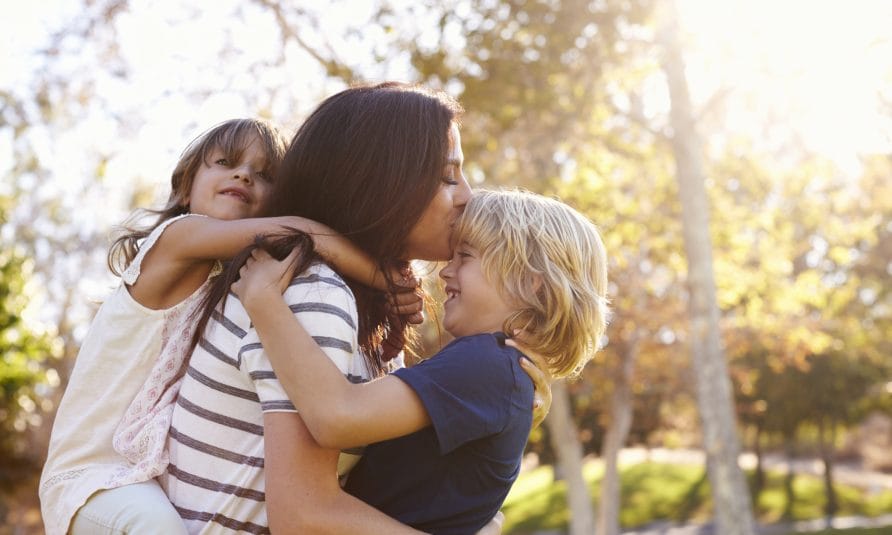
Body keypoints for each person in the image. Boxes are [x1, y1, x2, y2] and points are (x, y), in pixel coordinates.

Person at [162, 83, 551, 534]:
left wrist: (500, 404)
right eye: (448, 177)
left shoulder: (357, 304)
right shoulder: (314, 294)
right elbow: (305, 516)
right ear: (381, 183)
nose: (467, 195)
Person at [38, 118, 408, 535]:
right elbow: (304, 234)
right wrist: (386, 280)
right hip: (91, 477)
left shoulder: (228, 283)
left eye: (264, 175)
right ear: (184, 187)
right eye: (225, 161)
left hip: (141, 475)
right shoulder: (175, 239)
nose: (244, 175)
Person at [234, 188, 610, 534]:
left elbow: (337, 416)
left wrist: (264, 300)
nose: (446, 270)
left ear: (531, 283)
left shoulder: (487, 363)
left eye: (466, 256)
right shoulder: (501, 372)